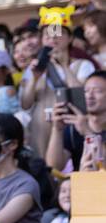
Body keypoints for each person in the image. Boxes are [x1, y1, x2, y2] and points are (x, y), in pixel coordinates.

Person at [19, 14, 94, 156]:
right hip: (40, 134)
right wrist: (34, 78)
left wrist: (64, 66)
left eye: (58, 32)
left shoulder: (83, 65)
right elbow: (25, 104)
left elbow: (83, 98)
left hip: (71, 133)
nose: (53, 37)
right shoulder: (35, 68)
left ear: (70, 38)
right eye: (47, 34)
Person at [45, 70, 106, 173]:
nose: (89, 96)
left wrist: (88, 133)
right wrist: (57, 129)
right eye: (86, 91)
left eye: (97, 91)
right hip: (81, 186)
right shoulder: (74, 128)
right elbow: (54, 166)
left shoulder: (81, 127)